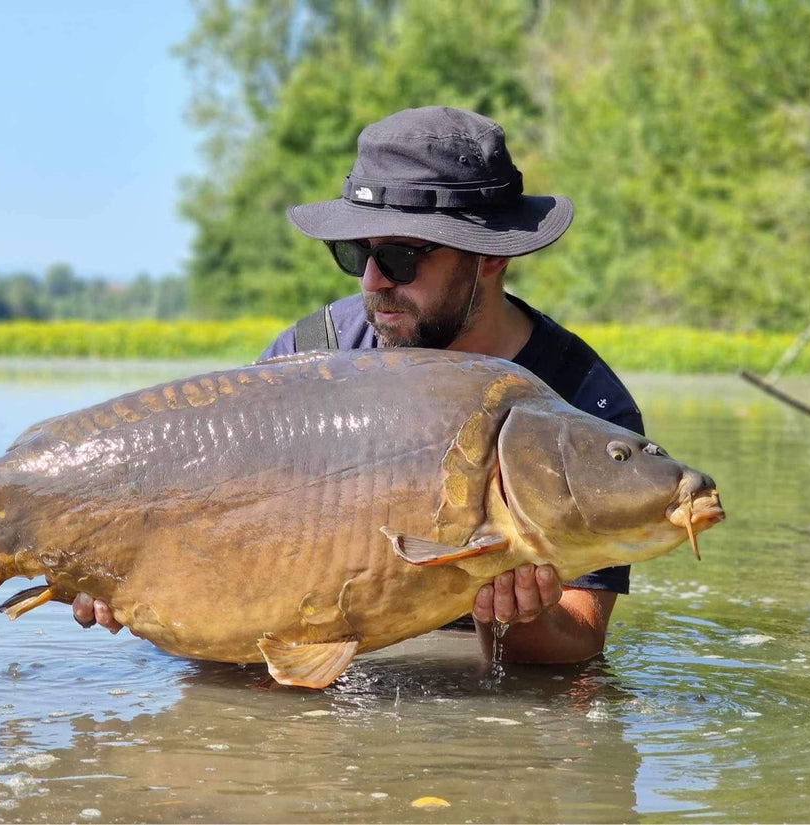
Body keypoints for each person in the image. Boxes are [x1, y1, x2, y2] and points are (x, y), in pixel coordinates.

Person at [73, 106, 644, 665]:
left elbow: (581, 639)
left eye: (399, 256)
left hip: (460, 660)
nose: (373, 281)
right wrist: (131, 573)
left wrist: (522, 619)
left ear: (489, 258)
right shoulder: (308, 356)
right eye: (356, 253)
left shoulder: (583, 405)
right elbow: (217, 550)